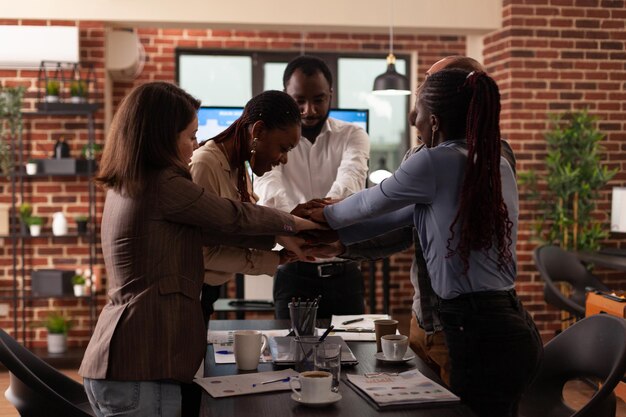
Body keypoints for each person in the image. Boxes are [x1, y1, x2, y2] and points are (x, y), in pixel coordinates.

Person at [308, 69, 542, 417]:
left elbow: (370, 203)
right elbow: (400, 217)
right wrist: (335, 241)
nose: (412, 120)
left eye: (416, 110)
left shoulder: (433, 161)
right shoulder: (493, 163)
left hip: (476, 330)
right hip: (511, 323)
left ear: (434, 120)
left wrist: (309, 221)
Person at [78, 82, 319, 417]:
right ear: (162, 135)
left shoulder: (135, 183)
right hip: (141, 367)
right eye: (190, 135)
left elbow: (216, 229)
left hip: (128, 363)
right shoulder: (164, 185)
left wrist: (282, 242)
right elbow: (230, 216)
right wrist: (295, 224)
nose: (196, 146)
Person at [254, 55, 370, 319]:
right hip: (293, 271)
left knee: (352, 355)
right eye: (299, 101)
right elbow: (268, 186)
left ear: (331, 94)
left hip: (345, 271)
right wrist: (296, 227)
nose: (309, 110)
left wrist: (315, 224)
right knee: (288, 355)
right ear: (286, 95)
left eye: (318, 100)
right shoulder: (269, 139)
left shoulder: (354, 135)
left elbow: (349, 182)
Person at [190, 90, 301, 322]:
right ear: (258, 131)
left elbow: (240, 232)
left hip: (207, 294)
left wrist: (284, 244)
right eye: (283, 148)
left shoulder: (240, 170)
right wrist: (276, 259)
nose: (285, 159)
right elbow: (200, 252)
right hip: (192, 295)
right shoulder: (205, 164)